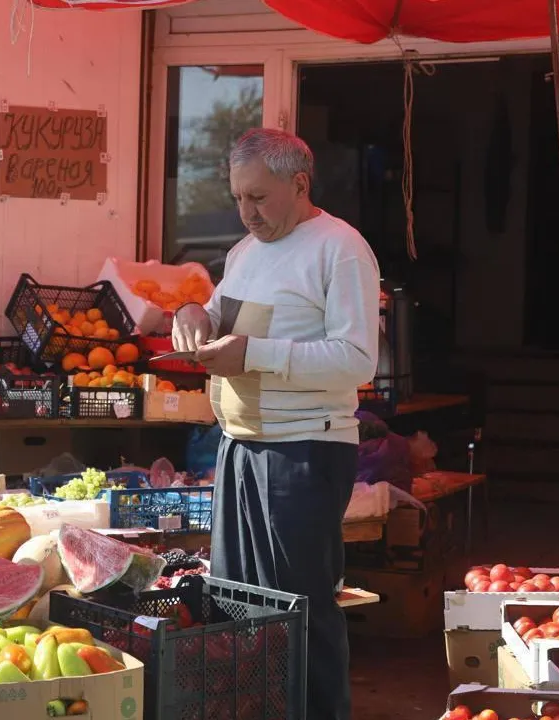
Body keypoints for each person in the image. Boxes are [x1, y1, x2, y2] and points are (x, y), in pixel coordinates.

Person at [172, 127, 379, 720]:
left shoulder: (340, 248)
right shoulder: (243, 252)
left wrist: (254, 356)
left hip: (305, 448)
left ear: (299, 184)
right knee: (240, 604)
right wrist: (191, 313)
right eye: (238, 198)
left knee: (299, 606)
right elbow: (218, 316)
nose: (247, 212)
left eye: (259, 198)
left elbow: (358, 359)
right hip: (240, 445)